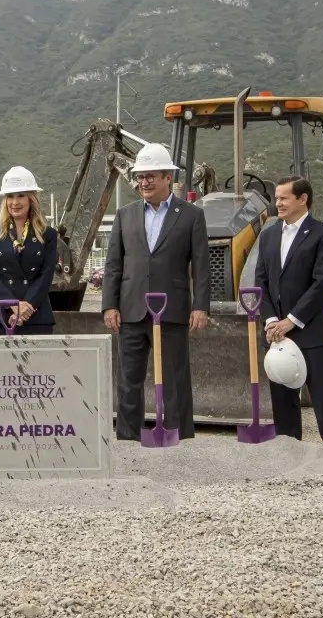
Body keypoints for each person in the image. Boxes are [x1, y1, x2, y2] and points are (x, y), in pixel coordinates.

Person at [101, 143, 210, 442]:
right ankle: (127, 438)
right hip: (132, 309)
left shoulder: (190, 216)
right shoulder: (125, 215)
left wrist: (200, 306)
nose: (144, 182)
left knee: (175, 378)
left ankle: (180, 437)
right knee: (128, 380)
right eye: (140, 177)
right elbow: (113, 265)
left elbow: (201, 265)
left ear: (167, 178)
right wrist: (109, 305)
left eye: (151, 176)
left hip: (172, 310)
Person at [253, 175, 323, 448]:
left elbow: (322, 284)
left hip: (310, 330)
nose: (277, 203)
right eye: (276, 197)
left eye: (284, 198)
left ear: (302, 199)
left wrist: (290, 321)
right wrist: (271, 321)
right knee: (282, 398)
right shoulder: (268, 235)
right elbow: (261, 280)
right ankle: (288, 449)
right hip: (276, 333)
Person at [0, 166, 58, 335]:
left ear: (31, 199)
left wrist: (26, 306)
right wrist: (14, 305)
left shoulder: (48, 235)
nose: (15, 202)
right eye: (10, 196)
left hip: (37, 316)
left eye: (21, 195)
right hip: (0, 316)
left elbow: (46, 275)